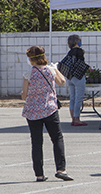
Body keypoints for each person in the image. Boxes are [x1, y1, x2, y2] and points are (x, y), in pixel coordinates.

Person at [22, 46, 73, 182]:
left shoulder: (28, 75)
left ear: (31, 59)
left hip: (32, 111)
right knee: (57, 138)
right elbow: (62, 82)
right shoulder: (50, 70)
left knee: (36, 142)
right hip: (50, 109)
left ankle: (39, 174)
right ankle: (61, 169)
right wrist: (55, 68)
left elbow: (24, 96)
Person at [66, 34, 88, 126]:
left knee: (72, 98)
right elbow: (80, 64)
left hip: (69, 77)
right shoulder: (79, 51)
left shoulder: (70, 52)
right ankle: (77, 118)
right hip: (78, 77)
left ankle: (73, 118)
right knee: (78, 99)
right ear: (76, 42)